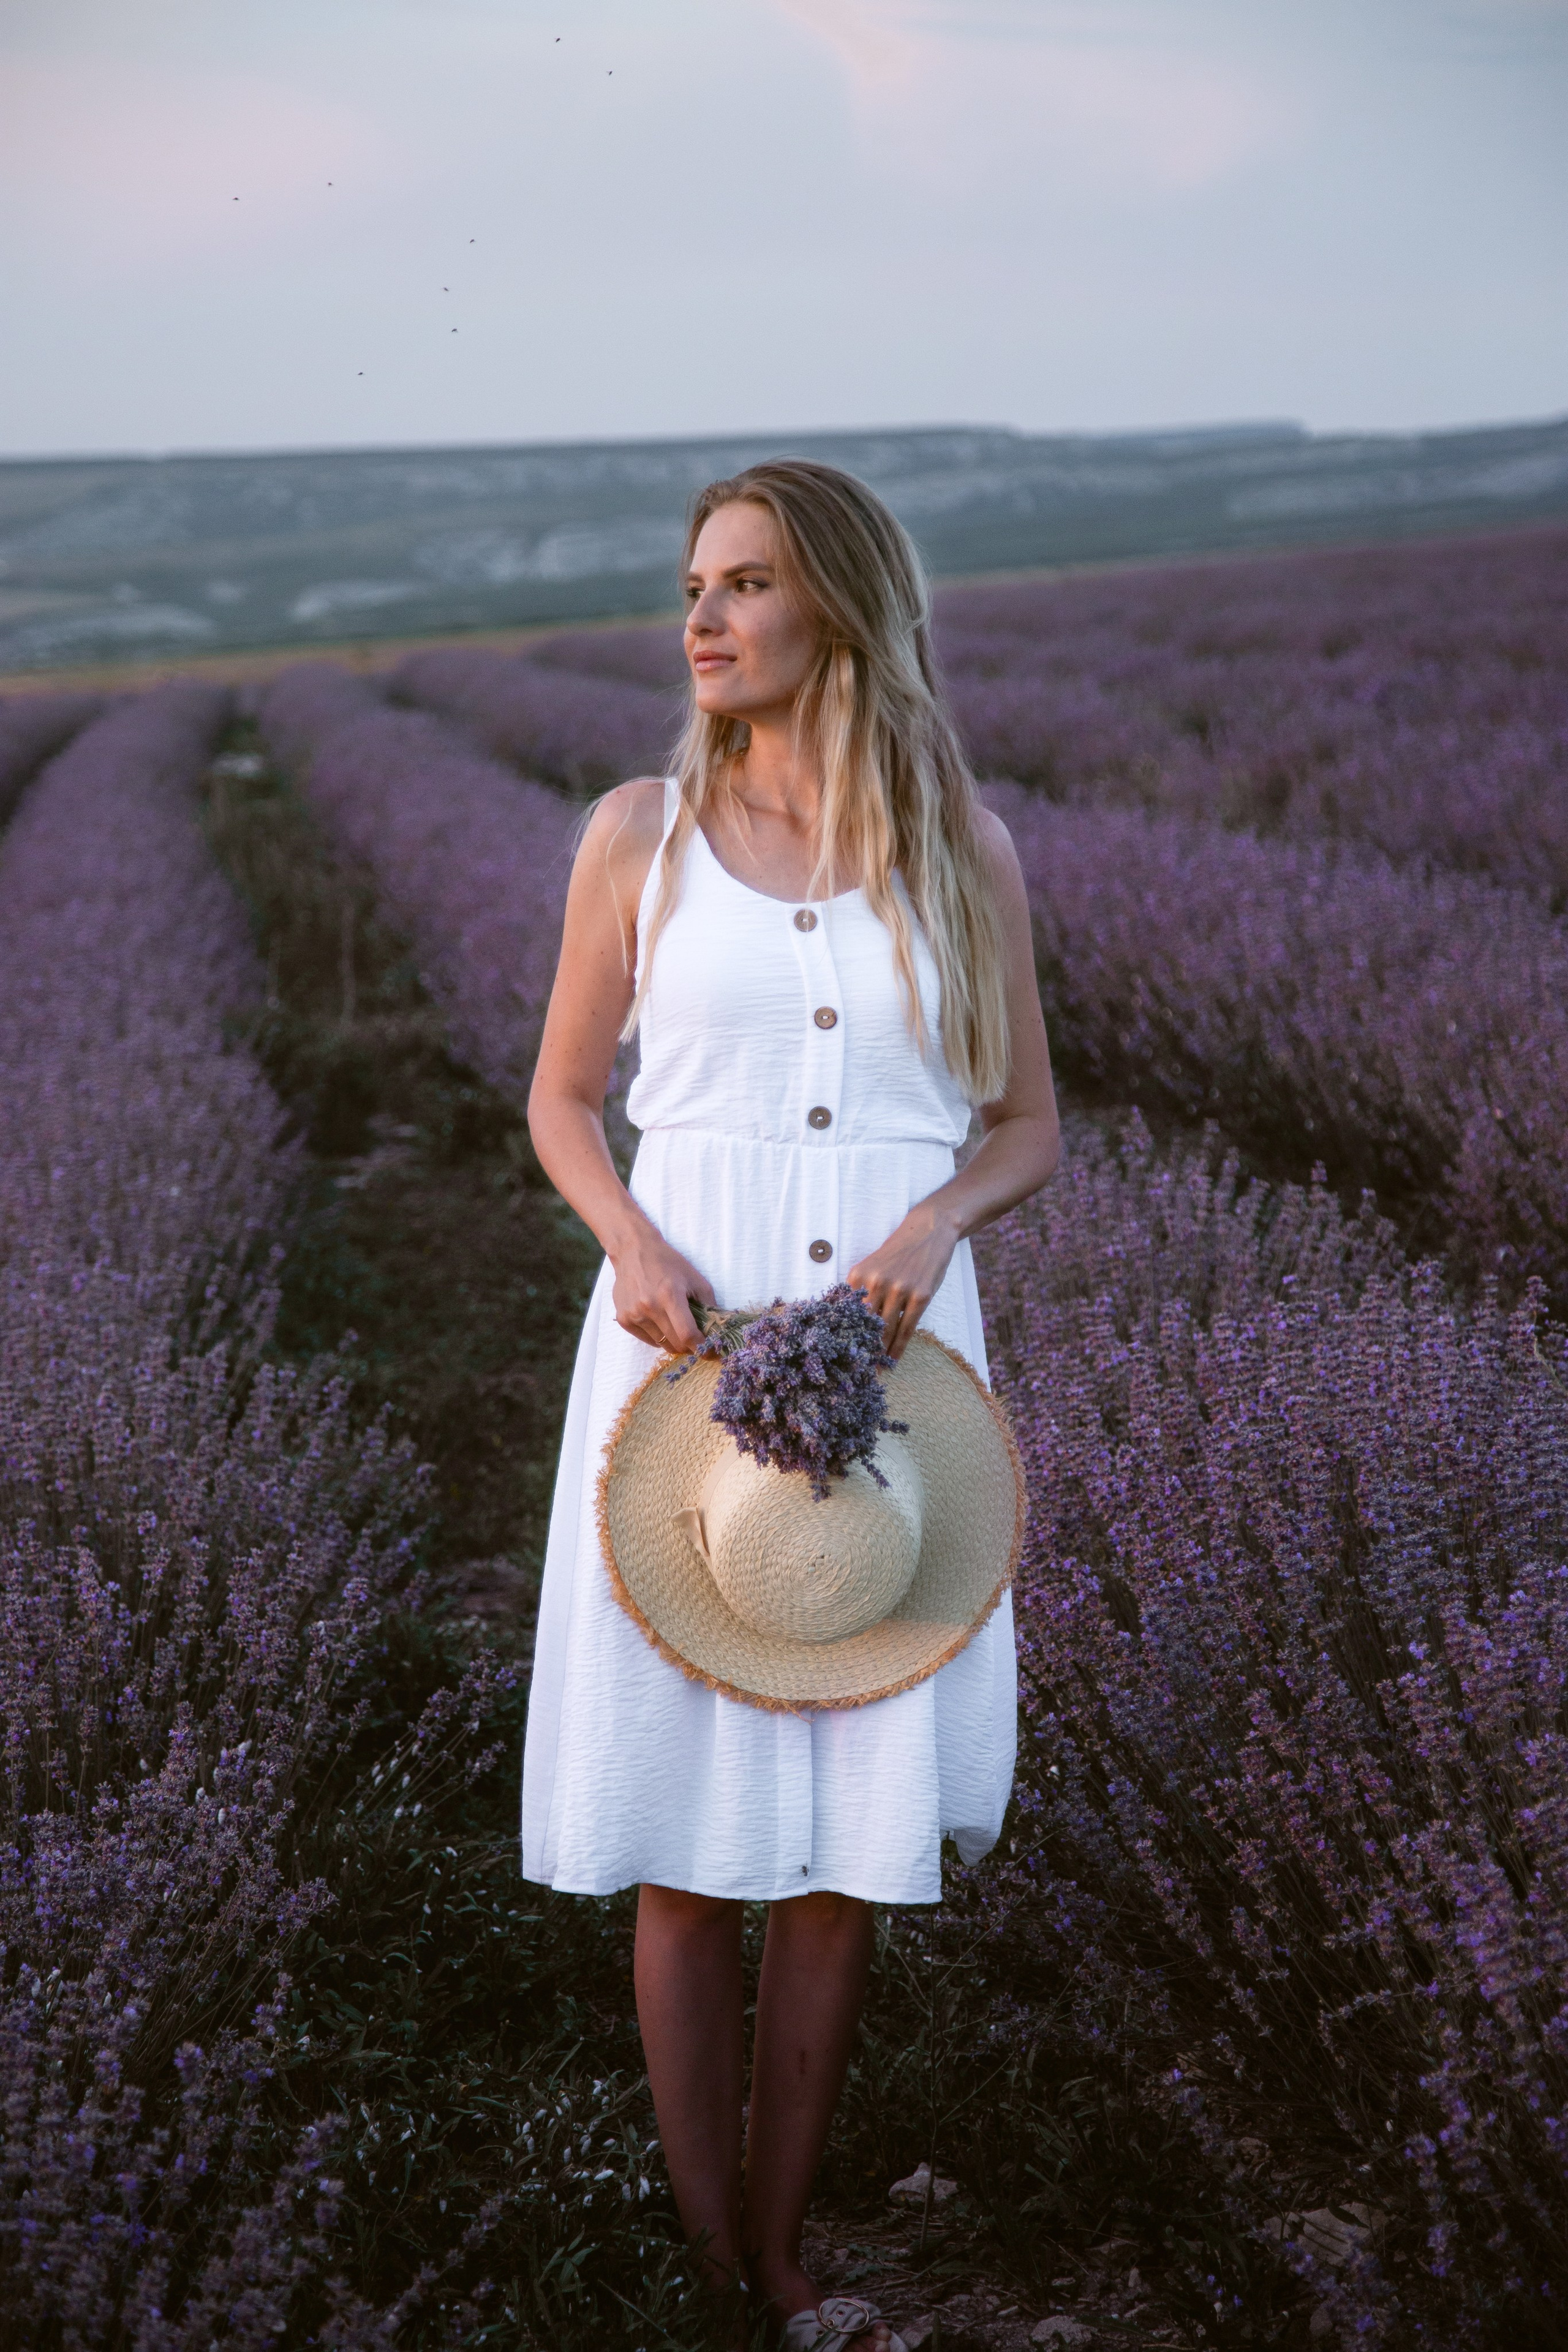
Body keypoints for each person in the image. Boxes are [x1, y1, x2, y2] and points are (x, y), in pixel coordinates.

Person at [524, 459, 1059, 2350]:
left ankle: (777, 2244)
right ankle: (697, 2260)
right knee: (682, 1838)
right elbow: (562, 1099)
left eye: (745, 581)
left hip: (899, 1363)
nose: (703, 616)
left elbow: (1030, 1126)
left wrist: (934, 1218)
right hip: (684, 1348)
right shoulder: (637, 837)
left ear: (837, 602)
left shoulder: (959, 847)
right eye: (694, 583)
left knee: (846, 1832)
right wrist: (629, 1243)